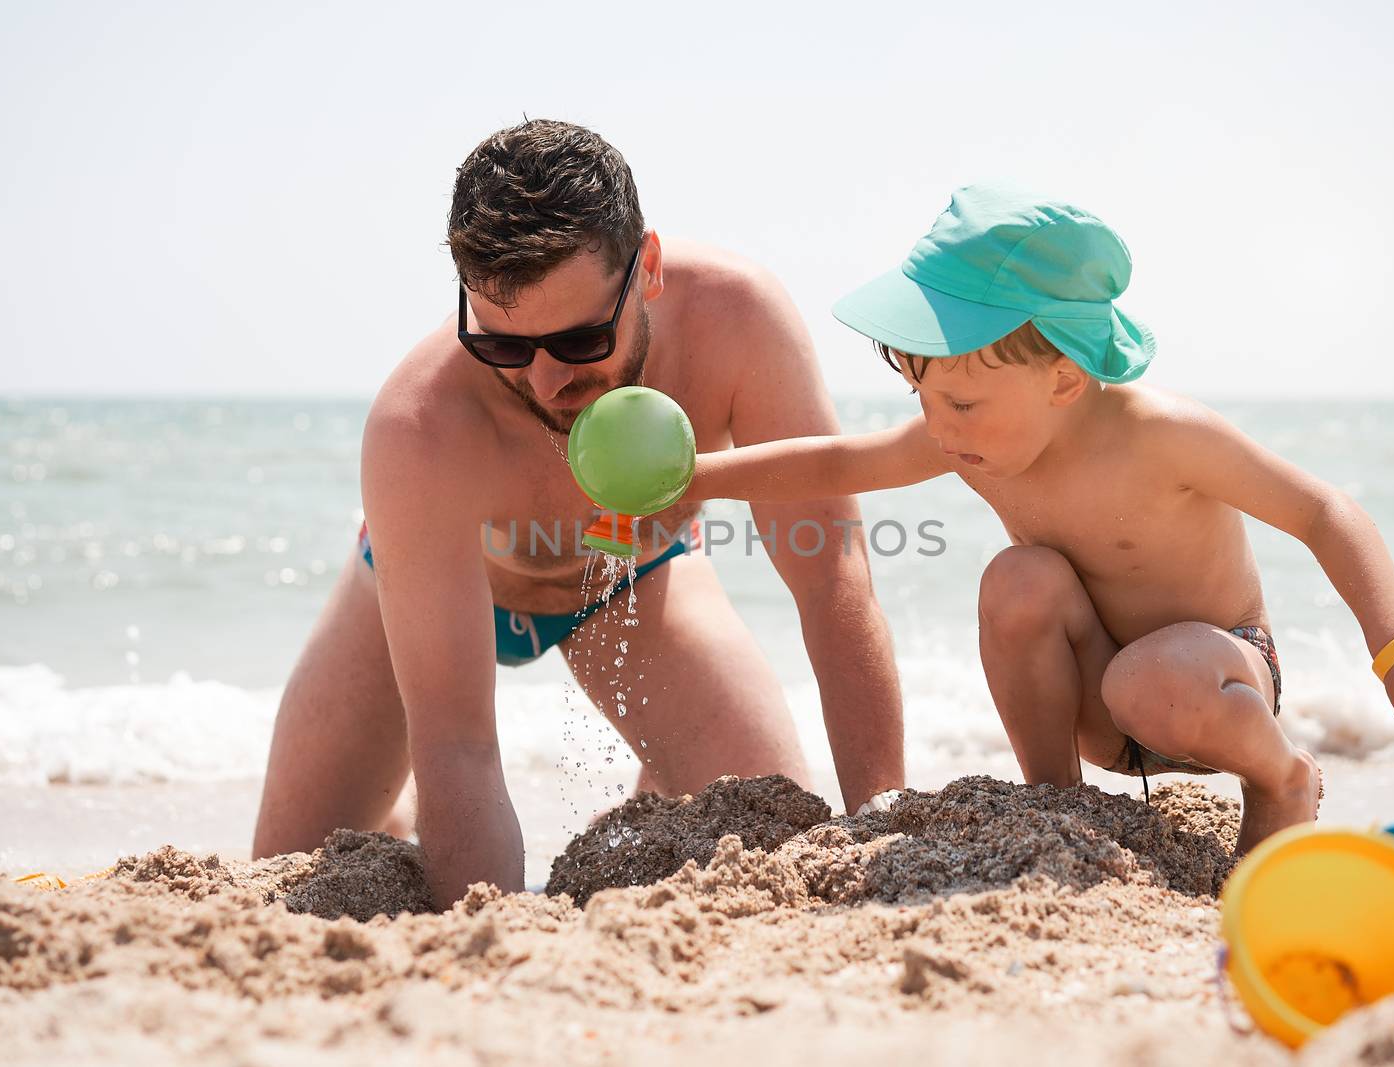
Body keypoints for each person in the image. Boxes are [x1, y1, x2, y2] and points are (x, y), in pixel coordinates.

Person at [686, 184, 1394, 853]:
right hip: (1107, 701)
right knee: (1017, 581)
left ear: (1064, 379)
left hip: (1219, 683)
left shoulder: (1162, 436)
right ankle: (1053, 803)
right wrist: (693, 479)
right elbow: (837, 462)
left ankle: (1283, 778)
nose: (941, 427)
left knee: (1151, 676)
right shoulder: (971, 437)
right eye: (921, 398)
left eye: (959, 401)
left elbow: (1321, 510)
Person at [251, 120, 905, 903]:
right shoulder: (418, 422)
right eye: (504, 347)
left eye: (582, 339)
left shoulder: (737, 321)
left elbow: (832, 576)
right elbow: (457, 741)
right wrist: (485, 929)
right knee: (282, 877)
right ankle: (400, 820)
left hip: (630, 568)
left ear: (649, 269)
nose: (546, 382)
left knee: (770, 835)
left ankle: (649, 803)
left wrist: (881, 830)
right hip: (436, 593)